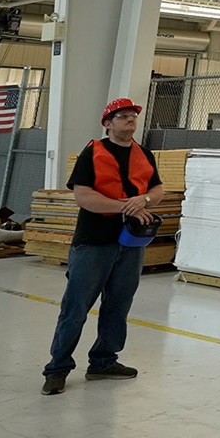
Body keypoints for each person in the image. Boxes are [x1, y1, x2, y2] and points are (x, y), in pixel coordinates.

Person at [42, 97, 166, 395]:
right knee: (76, 308)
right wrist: (126, 206)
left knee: (118, 305)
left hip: (131, 243)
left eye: (133, 115)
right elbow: (84, 197)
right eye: (123, 116)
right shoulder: (92, 153)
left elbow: (158, 188)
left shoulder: (144, 154)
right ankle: (57, 369)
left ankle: (103, 361)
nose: (130, 119)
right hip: (94, 243)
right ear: (108, 124)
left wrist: (144, 200)